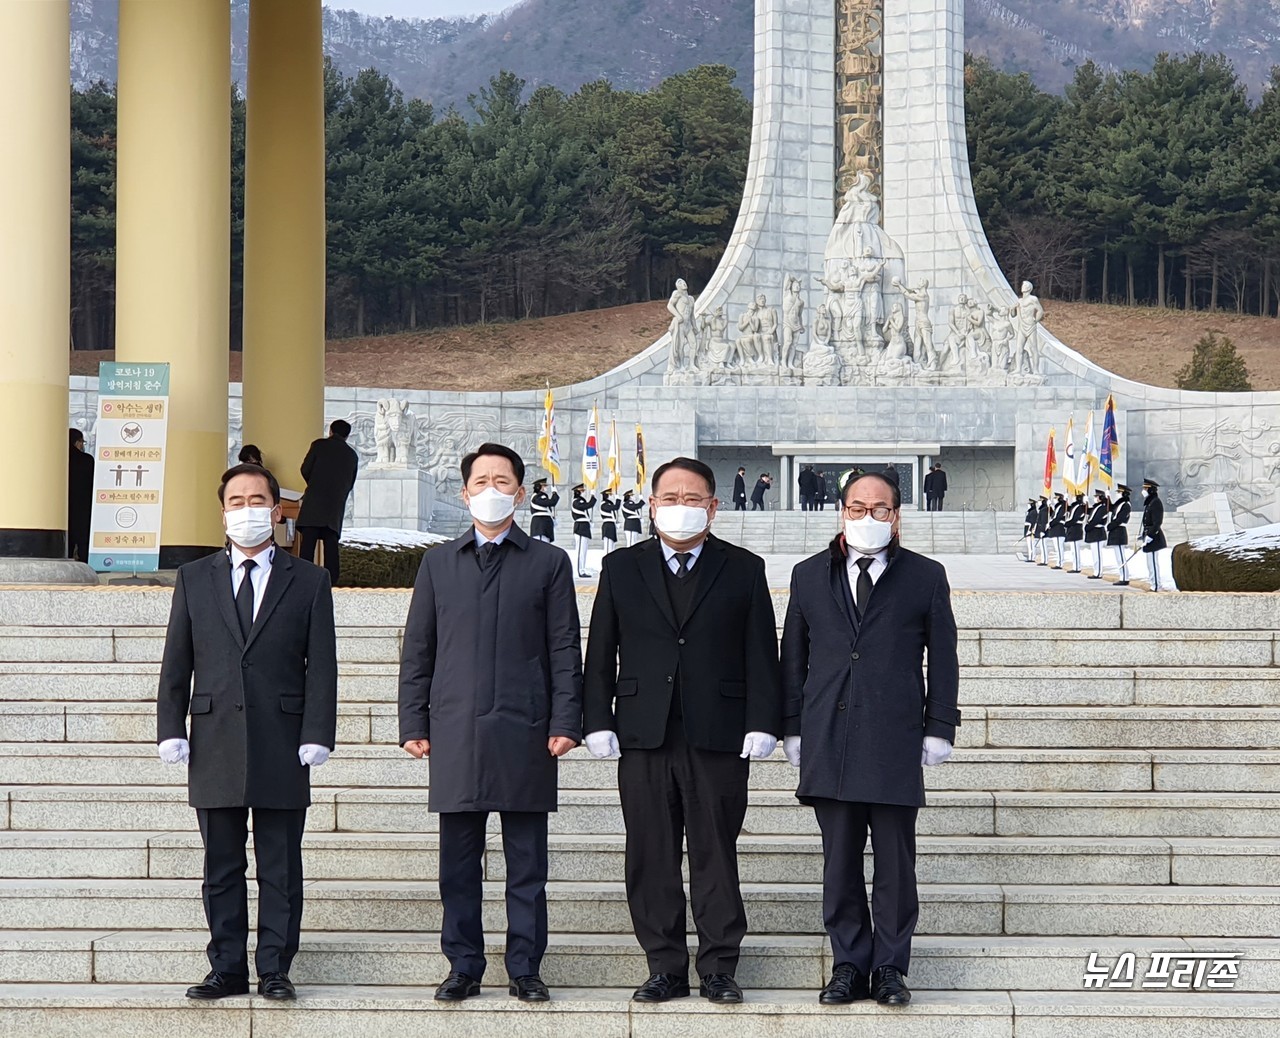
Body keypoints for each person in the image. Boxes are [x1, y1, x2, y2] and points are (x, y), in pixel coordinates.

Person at [583, 457, 782, 1007]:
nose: (680, 507)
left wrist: (764, 722)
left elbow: (762, 652)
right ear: (651, 505)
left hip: (718, 734)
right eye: (669, 498)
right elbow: (600, 650)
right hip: (644, 733)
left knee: (715, 851)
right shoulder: (622, 567)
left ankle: (719, 965)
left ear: (713, 507)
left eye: (692, 499)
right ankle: (664, 966)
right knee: (650, 852)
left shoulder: (744, 568)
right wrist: (596, 719)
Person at [398, 443, 582, 1004]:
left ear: (521, 493)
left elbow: (564, 647)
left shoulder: (548, 563)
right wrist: (413, 720)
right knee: (458, 863)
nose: (492, 490)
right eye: (481, 481)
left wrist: (566, 719)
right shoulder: (438, 562)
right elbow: (419, 649)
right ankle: (464, 965)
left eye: (503, 481)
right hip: (454, 729)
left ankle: (525, 966)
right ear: (464, 492)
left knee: (527, 864)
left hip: (527, 729)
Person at [156, 462, 337, 1002]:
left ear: (276, 511)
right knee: (221, 864)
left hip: (283, 739)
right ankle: (227, 967)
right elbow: (176, 661)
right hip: (213, 739)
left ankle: (276, 967)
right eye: (236, 500)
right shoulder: (194, 577)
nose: (247, 509)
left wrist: (317, 731)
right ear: (223, 511)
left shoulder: (308, 580)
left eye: (258, 500)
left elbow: (322, 666)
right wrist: (171, 726)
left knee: (280, 865)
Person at [780, 471, 959, 1008]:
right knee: (839, 863)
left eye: (880, 509)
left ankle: (889, 967)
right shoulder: (809, 574)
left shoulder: (925, 576)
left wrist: (939, 725)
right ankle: (848, 964)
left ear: (897, 516)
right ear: (842, 512)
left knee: (895, 864)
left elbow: (943, 658)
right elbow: (793, 658)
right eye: (858, 508)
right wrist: (792, 726)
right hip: (829, 737)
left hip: (893, 738)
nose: (869, 517)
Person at [296, 419, 359, 587]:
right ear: (347, 436)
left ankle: (304, 578)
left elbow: (305, 469)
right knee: (331, 545)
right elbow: (351, 483)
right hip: (334, 506)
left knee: (308, 543)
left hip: (314, 502)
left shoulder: (319, 445)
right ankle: (331, 581)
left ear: (330, 431)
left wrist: (315, 484)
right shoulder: (352, 455)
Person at [67, 428, 94, 563]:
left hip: (64, 507)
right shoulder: (87, 460)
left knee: (67, 540)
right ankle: (85, 564)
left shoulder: (57, 459)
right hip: (84, 505)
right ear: (77, 442)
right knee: (83, 538)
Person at [1140, 478, 1167, 592]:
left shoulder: (1155, 502)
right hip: (1148, 535)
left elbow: (1157, 522)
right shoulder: (1150, 502)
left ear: (1151, 490)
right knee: (1149, 563)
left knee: (1153, 563)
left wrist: (1150, 536)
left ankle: (1156, 585)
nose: (1143, 490)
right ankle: (1153, 583)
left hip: (1154, 537)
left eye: (1145, 488)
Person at [1108, 484, 1133, 585]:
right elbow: (1111, 508)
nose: (1118, 494)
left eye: (1119, 492)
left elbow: (1120, 518)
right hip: (1115, 530)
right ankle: (1122, 576)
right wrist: (1107, 497)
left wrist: (1111, 525)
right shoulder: (1119, 503)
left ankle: (1125, 577)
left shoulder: (1126, 504)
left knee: (1121, 556)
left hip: (1119, 530)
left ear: (1124, 493)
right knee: (1118, 556)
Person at [571, 483, 597, 577]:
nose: (583, 492)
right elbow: (588, 505)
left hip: (584, 527)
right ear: (577, 492)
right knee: (580, 551)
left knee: (584, 550)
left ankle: (582, 569)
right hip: (580, 527)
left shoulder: (581, 501)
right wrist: (593, 496)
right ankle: (580, 571)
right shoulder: (576, 501)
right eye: (582, 491)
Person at [1085, 490, 1110, 579]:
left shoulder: (1102, 508)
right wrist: (1086, 503)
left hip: (1098, 532)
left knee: (1097, 554)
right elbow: (1088, 512)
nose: (1095, 498)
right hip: (1094, 532)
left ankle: (1098, 572)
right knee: (1094, 554)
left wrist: (1087, 527)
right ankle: (1096, 571)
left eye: (1097, 497)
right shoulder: (1097, 507)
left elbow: (1095, 520)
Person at [528, 478, 559, 543]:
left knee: (545, 548)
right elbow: (552, 502)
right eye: (544, 486)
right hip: (540, 526)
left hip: (544, 526)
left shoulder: (541, 496)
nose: (545, 488)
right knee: (540, 548)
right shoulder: (537, 497)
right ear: (538, 487)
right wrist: (554, 493)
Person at [1064, 493, 1087, 573]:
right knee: (1073, 550)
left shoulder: (1080, 507)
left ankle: (1077, 567)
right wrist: (1065, 501)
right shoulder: (1075, 506)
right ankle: (1075, 566)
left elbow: (1074, 519)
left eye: (1074, 496)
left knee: (1075, 550)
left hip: (1076, 529)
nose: (1073, 498)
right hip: (1073, 529)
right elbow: (1067, 509)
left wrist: (1066, 524)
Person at [1047, 493, 1067, 569]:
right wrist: (1050, 507)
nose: (1054, 499)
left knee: (1059, 547)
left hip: (1059, 528)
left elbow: (1058, 518)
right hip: (1055, 529)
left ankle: (1060, 563)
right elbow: (1053, 515)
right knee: (1057, 548)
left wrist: (1050, 524)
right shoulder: (1057, 506)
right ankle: (1059, 562)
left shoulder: (1062, 506)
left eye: (1056, 497)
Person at [600, 489, 620, 555]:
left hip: (611, 525)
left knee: (611, 547)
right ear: (606, 496)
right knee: (608, 548)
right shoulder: (604, 504)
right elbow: (616, 507)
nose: (612, 496)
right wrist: (617, 499)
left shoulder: (608, 503)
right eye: (610, 494)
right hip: (607, 526)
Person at [1033, 496, 1050, 564]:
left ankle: (1045, 560)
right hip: (1040, 530)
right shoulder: (1042, 509)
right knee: (1042, 547)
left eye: (1040, 501)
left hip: (1042, 531)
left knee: (1043, 546)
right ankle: (1043, 560)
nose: (1039, 502)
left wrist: (1042, 531)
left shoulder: (1044, 510)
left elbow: (1043, 521)